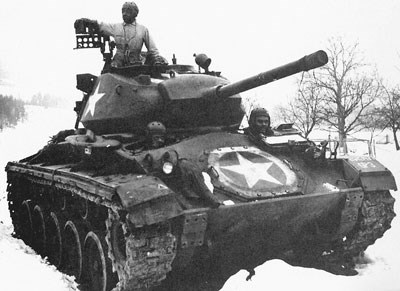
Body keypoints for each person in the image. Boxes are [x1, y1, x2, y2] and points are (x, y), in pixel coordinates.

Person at [75, 2, 166, 67]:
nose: (124, 14)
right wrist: (88, 22)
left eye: (128, 11)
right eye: (123, 11)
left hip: (136, 64)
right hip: (118, 62)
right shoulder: (116, 27)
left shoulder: (142, 30)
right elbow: (102, 26)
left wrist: (156, 59)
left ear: (134, 14)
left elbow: (153, 49)